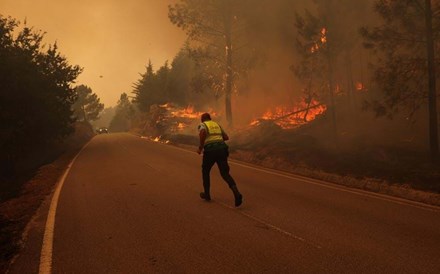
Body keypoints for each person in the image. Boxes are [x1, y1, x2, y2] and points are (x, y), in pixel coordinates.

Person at [197, 113, 243, 207]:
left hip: (210, 151)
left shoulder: (203, 125)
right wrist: (217, 140)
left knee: (205, 171)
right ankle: (236, 193)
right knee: (225, 173)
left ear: (202, 119)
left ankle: (207, 194)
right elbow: (226, 137)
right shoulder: (217, 125)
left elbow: (202, 133)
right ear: (210, 118)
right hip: (222, 150)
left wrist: (201, 147)